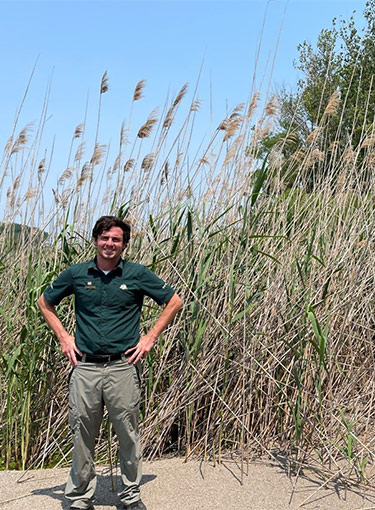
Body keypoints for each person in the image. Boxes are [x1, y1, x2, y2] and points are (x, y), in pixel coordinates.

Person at [37, 215, 183, 510]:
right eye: (104, 238)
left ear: (124, 244)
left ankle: (130, 496)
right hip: (85, 367)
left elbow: (175, 301)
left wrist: (150, 337)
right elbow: (44, 301)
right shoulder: (77, 274)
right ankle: (79, 497)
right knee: (82, 433)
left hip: (122, 367)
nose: (109, 244)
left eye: (116, 239)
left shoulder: (138, 274)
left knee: (128, 432)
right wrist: (64, 337)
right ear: (95, 240)